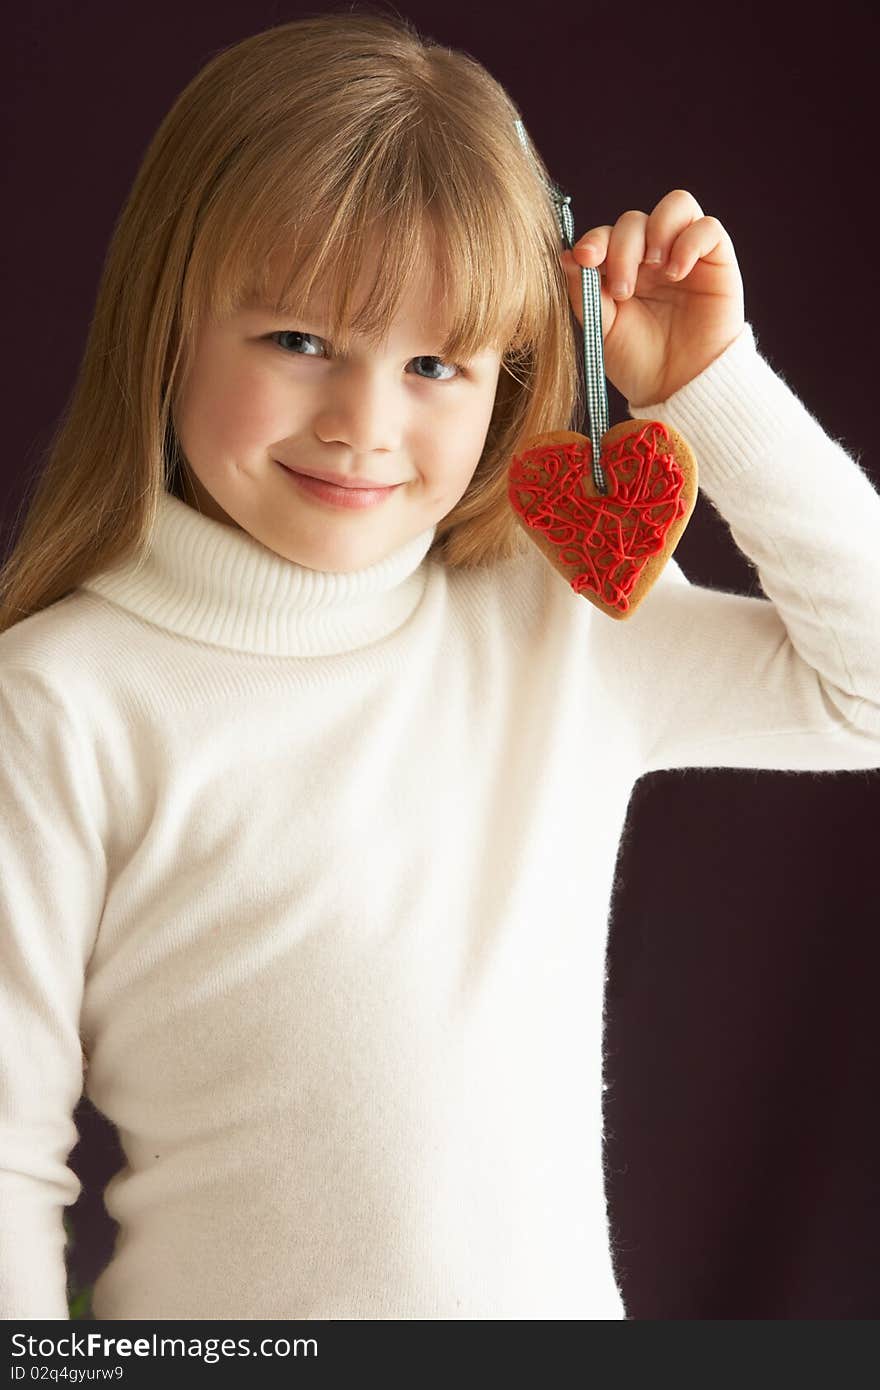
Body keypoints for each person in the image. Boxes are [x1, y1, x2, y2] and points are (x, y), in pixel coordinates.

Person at [1, 11, 878, 1323]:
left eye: (434, 364)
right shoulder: (62, 699)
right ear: (171, 315)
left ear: (506, 370)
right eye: (298, 340)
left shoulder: (554, 623)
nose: (365, 425)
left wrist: (711, 385)